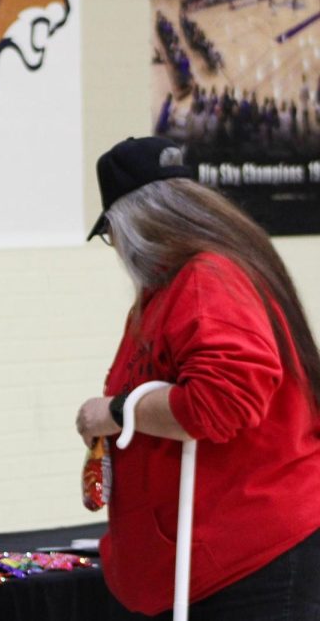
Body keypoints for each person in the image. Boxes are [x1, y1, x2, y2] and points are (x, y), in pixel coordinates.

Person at [75, 136, 320, 620]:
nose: (117, 248)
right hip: (203, 557)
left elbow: (219, 403)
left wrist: (117, 412)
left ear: (136, 222)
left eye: (111, 233)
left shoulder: (208, 279)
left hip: (248, 557)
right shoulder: (174, 287)